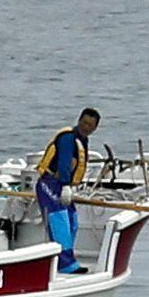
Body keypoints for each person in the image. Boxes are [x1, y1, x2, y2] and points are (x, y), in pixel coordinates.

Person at [33, 108, 100, 273]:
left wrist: (68, 186)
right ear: (79, 120)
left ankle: (67, 259)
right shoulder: (68, 138)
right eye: (84, 123)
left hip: (62, 185)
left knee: (72, 221)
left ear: (95, 128)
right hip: (49, 183)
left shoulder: (82, 140)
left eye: (90, 125)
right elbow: (64, 163)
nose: (86, 127)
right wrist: (65, 185)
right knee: (59, 221)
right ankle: (64, 264)